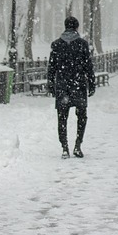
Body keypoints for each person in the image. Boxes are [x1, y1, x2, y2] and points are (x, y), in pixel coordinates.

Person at [47, 16, 96, 159]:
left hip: (62, 85)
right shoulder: (82, 44)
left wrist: (51, 83)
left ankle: (64, 147)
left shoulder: (56, 45)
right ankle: (78, 145)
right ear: (76, 27)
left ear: (65, 26)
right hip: (78, 85)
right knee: (82, 116)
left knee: (62, 118)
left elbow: (52, 67)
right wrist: (91, 83)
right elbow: (88, 66)